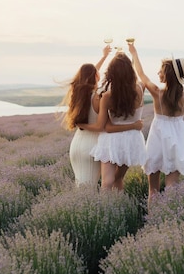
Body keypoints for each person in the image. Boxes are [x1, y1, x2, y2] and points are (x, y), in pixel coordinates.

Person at [60, 45, 142, 187]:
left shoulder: (78, 95)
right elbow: (102, 126)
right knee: (91, 188)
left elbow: (87, 76)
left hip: (77, 145)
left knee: (82, 185)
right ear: (97, 76)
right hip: (92, 145)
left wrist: (104, 56)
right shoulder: (100, 95)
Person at [128, 42, 184, 202]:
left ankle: (152, 219)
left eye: (160, 70)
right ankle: (169, 217)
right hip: (179, 138)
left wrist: (133, 53)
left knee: (153, 189)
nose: (158, 73)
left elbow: (141, 74)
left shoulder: (157, 93)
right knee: (172, 187)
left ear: (166, 74)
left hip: (158, 137)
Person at [83, 51, 147, 190]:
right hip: (132, 141)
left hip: (111, 141)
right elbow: (141, 73)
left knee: (107, 181)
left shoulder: (107, 96)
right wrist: (134, 53)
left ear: (111, 73)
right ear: (130, 71)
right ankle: (119, 207)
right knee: (118, 179)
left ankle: (105, 209)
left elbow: (108, 128)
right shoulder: (141, 89)